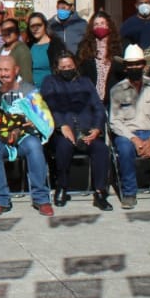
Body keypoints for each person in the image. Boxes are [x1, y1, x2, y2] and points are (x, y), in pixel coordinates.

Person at [0, 55, 55, 217]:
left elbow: (42, 113)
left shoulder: (28, 88)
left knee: (34, 146)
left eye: (6, 70)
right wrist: (0, 92)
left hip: (23, 135)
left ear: (16, 70)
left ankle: (41, 199)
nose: (3, 73)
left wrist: (35, 122)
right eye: (0, 70)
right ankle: (1, 200)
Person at [107, 45, 150, 210]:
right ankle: (130, 193)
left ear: (144, 64)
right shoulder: (117, 89)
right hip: (128, 134)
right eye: (130, 64)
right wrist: (134, 139)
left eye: (137, 63)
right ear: (125, 67)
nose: (134, 67)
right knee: (124, 149)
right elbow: (115, 122)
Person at [41, 53, 111, 210]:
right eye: (63, 67)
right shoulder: (50, 82)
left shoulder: (85, 82)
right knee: (63, 147)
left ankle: (100, 192)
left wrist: (97, 128)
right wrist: (62, 125)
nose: (67, 69)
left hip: (86, 128)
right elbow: (49, 105)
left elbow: (98, 107)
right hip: (63, 130)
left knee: (101, 149)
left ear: (75, 67)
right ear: (57, 68)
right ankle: (62, 187)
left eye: (70, 67)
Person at [76, 11, 124, 101]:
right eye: (96, 24)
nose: (99, 26)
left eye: (102, 23)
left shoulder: (119, 46)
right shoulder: (85, 46)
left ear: (108, 25)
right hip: (92, 97)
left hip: (114, 96)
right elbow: (80, 72)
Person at [25, 12, 65, 91]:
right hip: (31, 92)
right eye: (32, 26)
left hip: (51, 90)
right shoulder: (28, 46)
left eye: (38, 25)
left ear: (45, 25)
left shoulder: (56, 45)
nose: (35, 29)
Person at [0, 17, 33, 85]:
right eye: (4, 31)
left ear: (17, 32)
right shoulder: (0, 50)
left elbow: (27, 78)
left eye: (10, 30)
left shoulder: (22, 50)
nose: (7, 33)